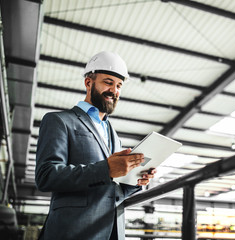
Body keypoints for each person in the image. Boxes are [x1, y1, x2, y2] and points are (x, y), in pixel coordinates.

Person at [35, 51, 156, 240]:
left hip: (111, 232)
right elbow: (46, 176)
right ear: (88, 82)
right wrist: (106, 169)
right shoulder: (59, 121)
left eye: (119, 86)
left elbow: (110, 190)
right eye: (108, 82)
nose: (114, 90)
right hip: (73, 232)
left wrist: (134, 181)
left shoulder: (113, 135)